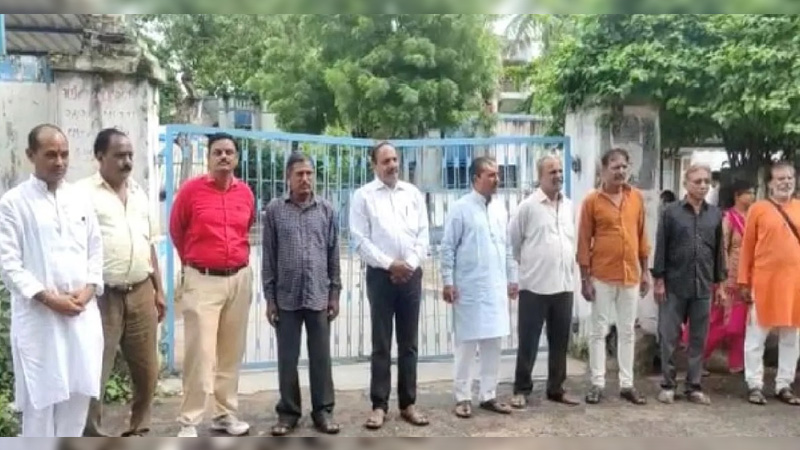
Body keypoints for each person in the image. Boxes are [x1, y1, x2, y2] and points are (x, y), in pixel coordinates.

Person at [0, 124, 104, 437]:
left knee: (78, 399)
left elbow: (96, 249)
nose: (59, 162)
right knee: (40, 404)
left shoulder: (80, 198)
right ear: (31, 155)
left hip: (81, 316)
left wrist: (89, 289)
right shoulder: (13, 203)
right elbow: (8, 264)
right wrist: (49, 299)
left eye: (64, 154)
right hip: (40, 320)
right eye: (50, 155)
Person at [79, 129, 165, 437]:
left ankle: (139, 430)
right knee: (95, 371)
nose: (127, 161)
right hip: (102, 297)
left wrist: (159, 290)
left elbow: (149, 244)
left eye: (130, 155)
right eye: (119, 155)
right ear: (100, 156)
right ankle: (91, 433)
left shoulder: (139, 192)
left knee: (147, 371)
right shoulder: (81, 194)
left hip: (141, 292)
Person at [169, 133, 256, 437]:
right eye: (217, 152)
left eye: (229, 152)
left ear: (236, 158)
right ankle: (189, 420)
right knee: (200, 354)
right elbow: (177, 230)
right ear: (208, 158)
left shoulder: (245, 193)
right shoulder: (191, 191)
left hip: (239, 279)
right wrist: (194, 264)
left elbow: (246, 227)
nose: (224, 157)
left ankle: (225, 414)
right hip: (202, 279)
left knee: (231, 352)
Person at [349, 141, 430, 429]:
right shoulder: (363, 196)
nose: (392, 165)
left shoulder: (412, 193)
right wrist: (389, 264)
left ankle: (408, 404)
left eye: (394, 159)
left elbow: (423, 235)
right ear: (374, 165)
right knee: (381, 344)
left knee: (409, 344)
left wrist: (409, 264)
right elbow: (360, 240)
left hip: (411, 275)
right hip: (381, 277)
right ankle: (379, 406)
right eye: (386, 161)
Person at [262, 153, 341, 436]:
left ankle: (323, 412)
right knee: (287, 359)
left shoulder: (326, 210)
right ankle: (288, 413)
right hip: (286, 297)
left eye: (309, 173)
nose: (305, 179)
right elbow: (268, 258)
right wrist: (270, 298)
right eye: (299, 174)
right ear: (288, 178)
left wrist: (334, 293)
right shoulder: (274, 211)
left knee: (321, 358)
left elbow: (333, 254)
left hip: (318, 295)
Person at [440, 156, 518, 419]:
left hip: (495, 287)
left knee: (493, 343)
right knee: (466, 345)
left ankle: (488, 395)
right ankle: (462, 396)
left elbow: (508, 248)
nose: (497, 179)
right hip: (469, 288)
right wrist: (448, 281)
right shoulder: (460, 209)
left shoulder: (500, 209)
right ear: (476, 179)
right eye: (491, 175)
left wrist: (512, 278)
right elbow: (447, 247)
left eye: (497, 174)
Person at [577, 147, 650, 405]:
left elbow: (642, 236)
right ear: (604, 170)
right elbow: (584, 241)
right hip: (602, 275)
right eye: (615, 167)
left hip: (630, 275)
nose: (620, 171)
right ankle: (597, 383)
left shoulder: (635, 198)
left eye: (624, 167)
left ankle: (627, 384)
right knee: (599, 330)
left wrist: (646, 272)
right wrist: (585, 279)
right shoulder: (592, 201)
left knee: (627, 331)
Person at [509, 154, 580, 409]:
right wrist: (528, 266)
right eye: (552, 172)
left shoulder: (569, 205)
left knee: (560, 342)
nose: (558, 176)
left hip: (563, 285)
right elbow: (514, 243)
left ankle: (556, 388)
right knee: (528, 341)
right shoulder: (528, 207)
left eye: (560, 171)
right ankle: (521, 389)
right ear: (540, 176)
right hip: (535, 286)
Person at [652, 164, 725, 405]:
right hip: (674, 283)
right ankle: (668, 384)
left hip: (702, 284)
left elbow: (719, 252)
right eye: (697, 181)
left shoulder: (715, 214)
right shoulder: (671, 212)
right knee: (669, 337)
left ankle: (694, 386)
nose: (703, 186)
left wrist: (720, 283)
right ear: (686, 184)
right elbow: (661, 247)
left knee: (698, 338)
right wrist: (659, 280)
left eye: (706, 181)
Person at [738, 161, 800, 406]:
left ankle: (784, 384)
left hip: (795, 284)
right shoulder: (758, 209)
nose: (786, 182)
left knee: (791, 337)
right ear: (770, 184)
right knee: (756, 336)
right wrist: (743, 281)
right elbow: (747, 248)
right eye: (780, 179)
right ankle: (754, 384)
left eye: (790, 178)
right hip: (764, 282)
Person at [702, 180, 754, 374]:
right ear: (737, 196)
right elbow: (722, 248)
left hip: (748, 277)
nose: (752, 196)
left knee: (741, 323)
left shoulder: (753, 217)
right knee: (725, 323)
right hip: (730, 277)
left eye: (753, 192)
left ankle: (736, 363)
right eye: (748, 192)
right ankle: (699, 357)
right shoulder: (729, 218)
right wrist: (721, 278)